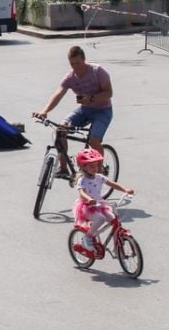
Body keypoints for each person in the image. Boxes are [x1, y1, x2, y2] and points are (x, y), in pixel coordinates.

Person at [33, 45, 114, 178]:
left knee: (94, 141)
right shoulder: (70, 77)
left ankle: (99, 174)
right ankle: (64, 167)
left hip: (103, 111)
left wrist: (91, 98)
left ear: (84, 60)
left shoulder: (98, 71)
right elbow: (58, 94)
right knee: (60, 130)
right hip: (84, 110)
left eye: (78, 63)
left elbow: (109, 93)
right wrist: (44, 111)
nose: (76, 67)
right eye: (72, 64)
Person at [73, 147, 134, 252]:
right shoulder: (82, 180)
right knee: (100, 219)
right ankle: (88, 237)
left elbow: (112, 184)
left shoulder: (99, 177)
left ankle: (117, 246)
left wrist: (125, 189)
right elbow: (81, 192)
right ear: (83, 167)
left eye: (96, 165)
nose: (95, 168)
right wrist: (89, 199)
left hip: (99, 204)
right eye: (91, 166)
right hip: (87, 206)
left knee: (113, 218)